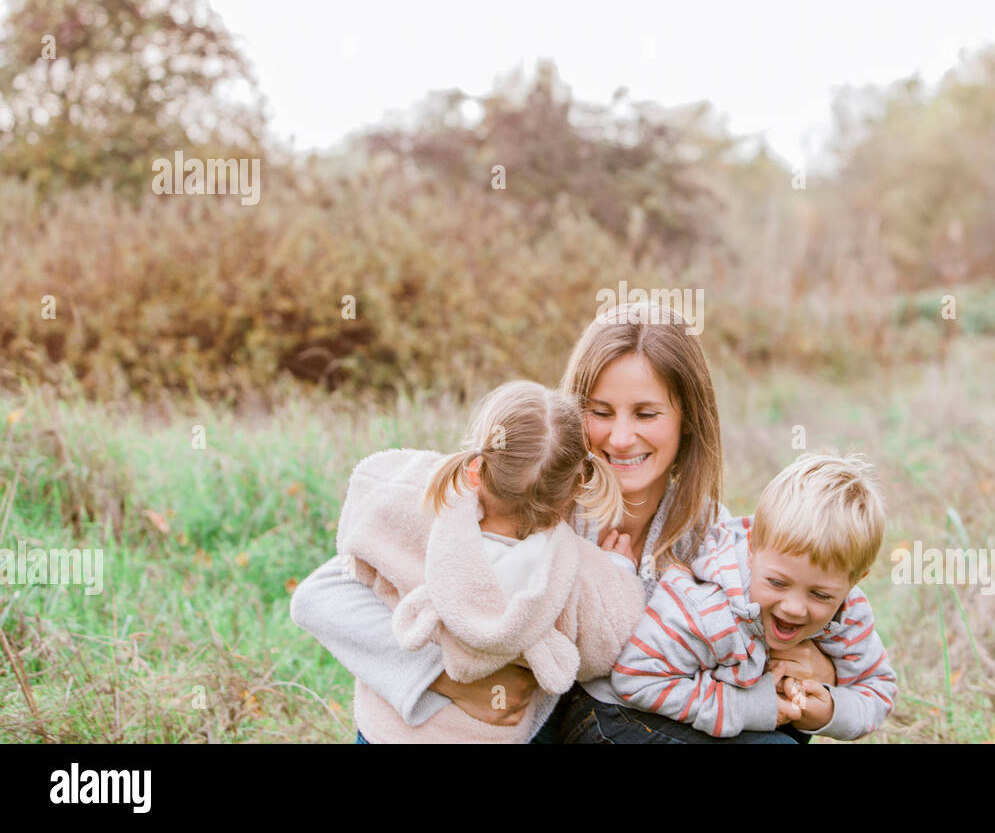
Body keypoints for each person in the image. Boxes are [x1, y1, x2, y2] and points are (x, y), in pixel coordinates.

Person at [290, 302, 839, 743]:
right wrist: (444, 679)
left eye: (646, 414)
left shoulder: (709, 536)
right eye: (600, 413)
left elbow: (797, 619)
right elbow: (323, 593)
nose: (620, 438)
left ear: (688, 422)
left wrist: (813, 672)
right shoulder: (524, 495)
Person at [336, 381, 646, 742]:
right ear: (577, 486)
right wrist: (620, 569)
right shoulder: (577, 572)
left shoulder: (417, 516)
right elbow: (606, 648)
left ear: (476, 467)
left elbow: (361, 525)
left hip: (388, 730)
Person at [610, 452, 897, 740]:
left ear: (854, 582)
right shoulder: (708, 608)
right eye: (777, 582)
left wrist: (831, 710)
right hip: (623, 719)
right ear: (752, 549)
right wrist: (752, 706)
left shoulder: (849, 611)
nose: (794, 608)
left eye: (820, 595)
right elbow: (635, 678)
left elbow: (876, 688)